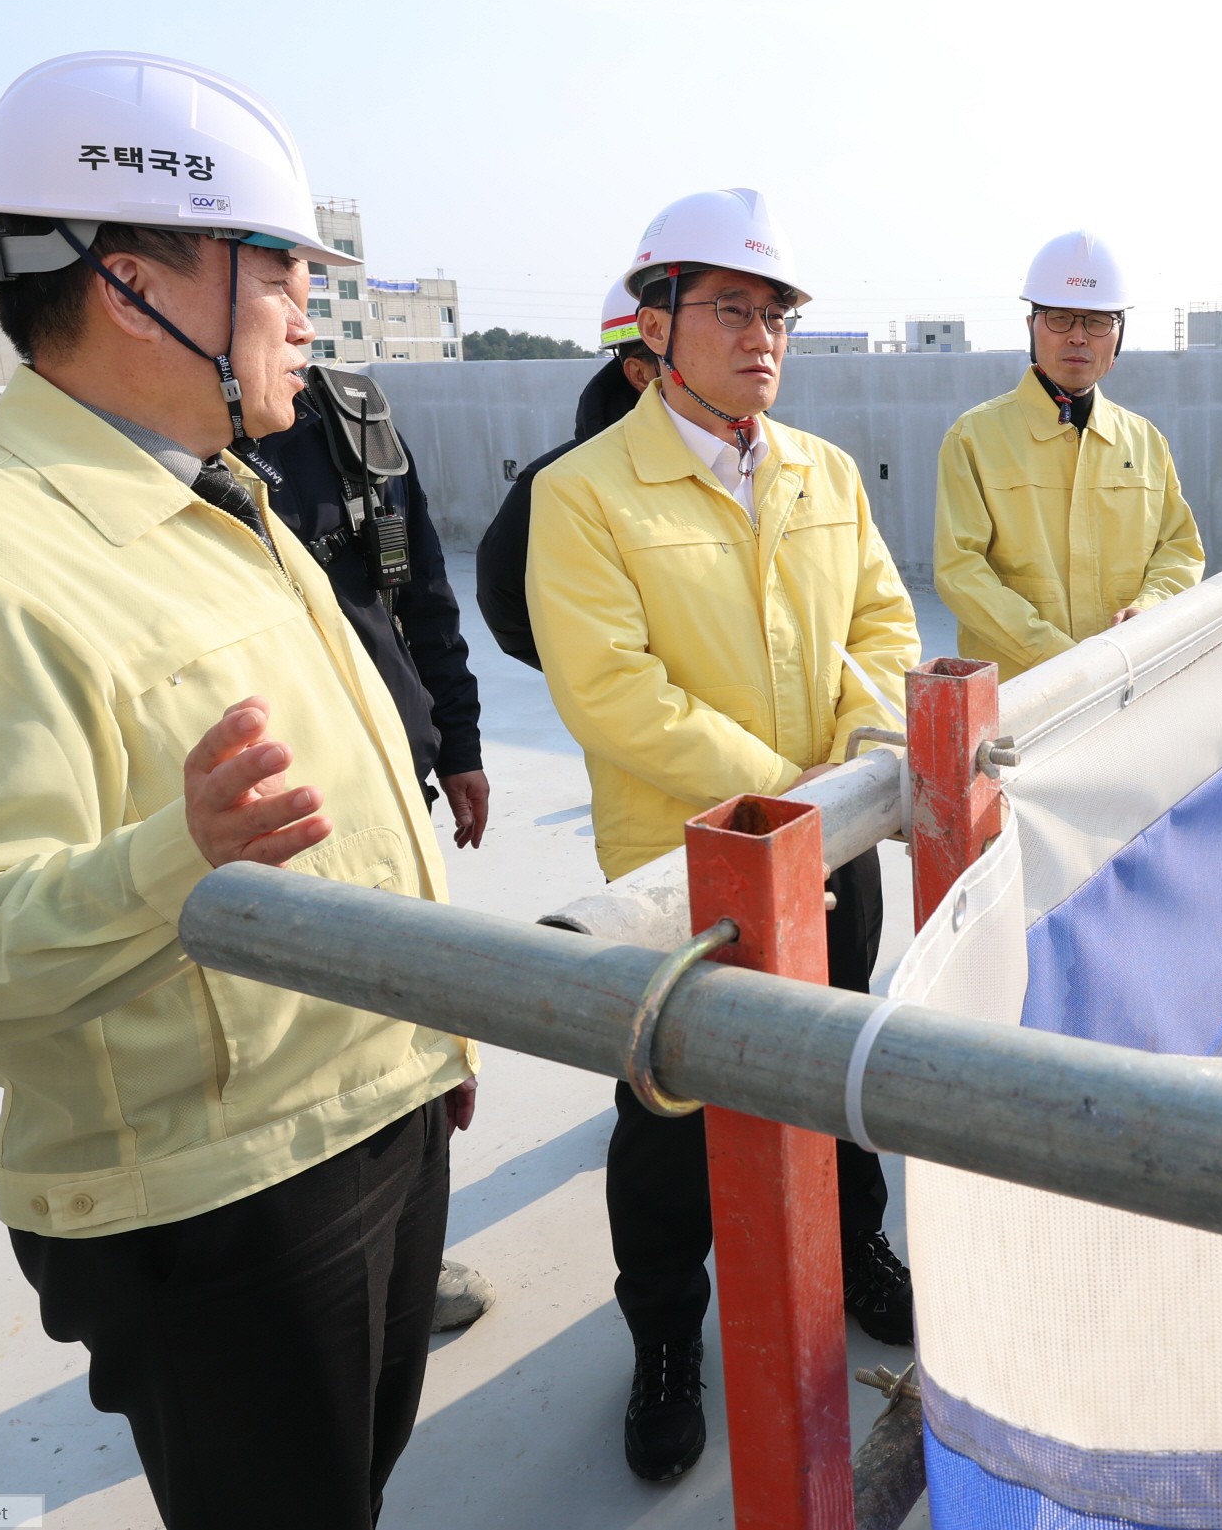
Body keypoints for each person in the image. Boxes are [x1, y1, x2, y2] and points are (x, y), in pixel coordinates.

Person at [0, 52, 475, 1529]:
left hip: (377, 1113)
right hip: (221, 1204)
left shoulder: (222, 496)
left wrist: (424, 1034)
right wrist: (181, 864)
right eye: (275, 266)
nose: (305, 305)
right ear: (127, 281)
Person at [526, 189, 922, 1484]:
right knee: (671, 1119)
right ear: (656, 322)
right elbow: (612, 689)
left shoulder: (821, 472)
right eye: (732, 309)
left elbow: (883, 624)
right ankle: (660, 1341)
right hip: (682, 877)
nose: (761, 336)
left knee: (843, 1067)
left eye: (776, 314)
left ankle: (862, 1248)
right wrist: (782, 793)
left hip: (836, 849)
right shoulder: (583, 495)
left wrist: (850, 762)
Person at [245, 365, 497, 1332]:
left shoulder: (352, 421)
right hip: (266, 809)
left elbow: (421, 598)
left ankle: (403, 1256)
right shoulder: (164, 458)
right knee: (298, 1053)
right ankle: (315, 1285)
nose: (301, 314)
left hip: (392, 781)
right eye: (275, 277)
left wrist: (459, 744)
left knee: (412, 1032)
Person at [934, 230, 1204, 678]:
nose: (1078, 337)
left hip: (1127, 679)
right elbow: (960, 571)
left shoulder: (1145, 441)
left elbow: (1179, 548)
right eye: (1060, 318)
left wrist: (1150, 607)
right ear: (1031, 327)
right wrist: (1061, 659)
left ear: (1117, 337)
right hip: (1020, 691)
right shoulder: (974, 439)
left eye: (1097, 322)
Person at [474, 274, 657, 668]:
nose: (753, 343)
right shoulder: (559, 483)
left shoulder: (785, 466)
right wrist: (606, 676)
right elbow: (506, 603)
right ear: (640, 373)